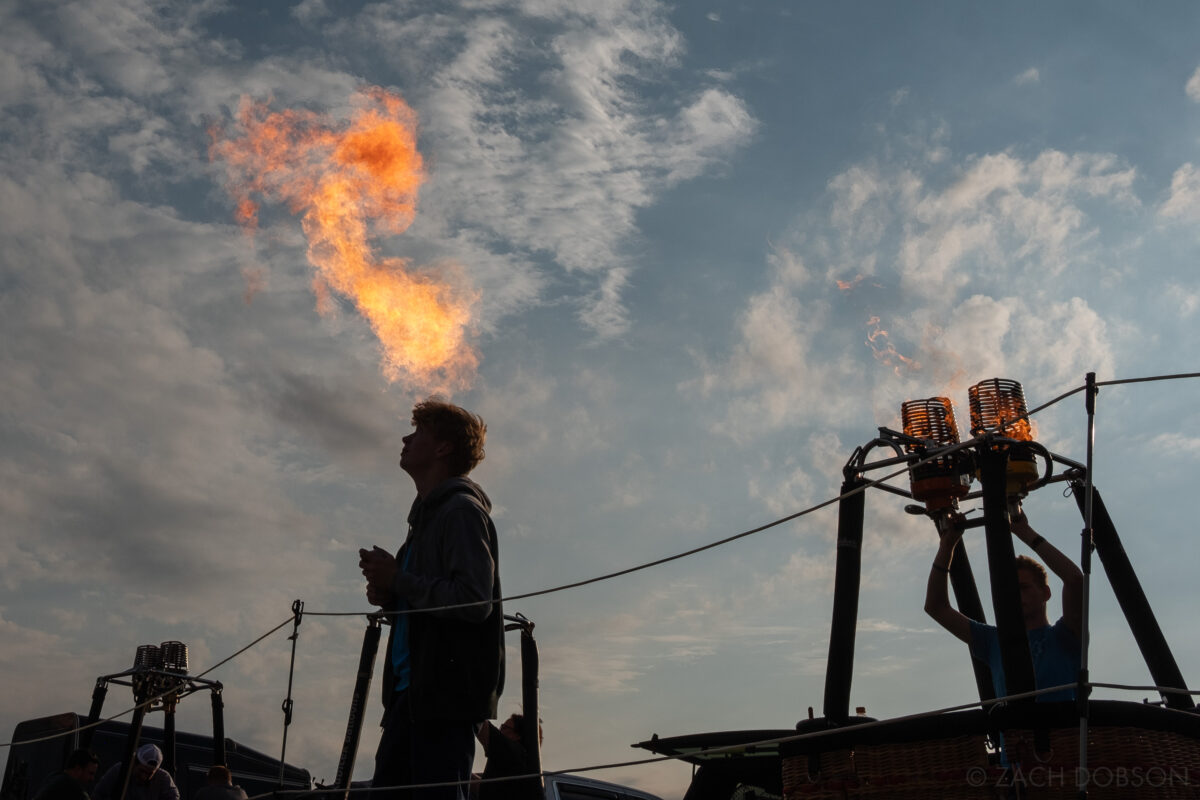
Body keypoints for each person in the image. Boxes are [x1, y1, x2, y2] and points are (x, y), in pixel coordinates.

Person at [359, 399, 505, 800]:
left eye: (419, 432)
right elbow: (424, 600)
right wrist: (389, 595)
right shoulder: (423, 521)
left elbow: (475, 601)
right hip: (410, 699)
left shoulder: (460, 512)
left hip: (443, 702)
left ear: (442, 449)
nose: (406, 438)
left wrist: (399, 580)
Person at [925, 508, 1083, 702]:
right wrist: (947, 545)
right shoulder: (993, 641)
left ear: (1046, 593)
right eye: (1012, 589)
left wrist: (1025, 532)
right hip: (1012, 733)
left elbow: (1075, 580)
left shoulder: (1065, 637)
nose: (1016, 595)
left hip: (1061, 732)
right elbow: (936, 607)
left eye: (1023, 587)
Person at [475, 713, 542, 800]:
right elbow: (489, 789)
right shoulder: (522, 762)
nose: (500, 730)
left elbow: (479, 723)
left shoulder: (512, 752)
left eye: (504, 727)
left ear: (517, 736)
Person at [92, 744, 179, 800]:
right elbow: (98, 794)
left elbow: (174, 797)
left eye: (149, 774)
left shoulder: (163, 778)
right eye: (142, 771)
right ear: (134, 763)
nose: (144, 776)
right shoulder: (119, 770)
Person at [32, 749, 99, 800]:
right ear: (78, 769)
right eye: (90, 773)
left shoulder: (53, 777)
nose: (92, 778)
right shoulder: (73, 788)